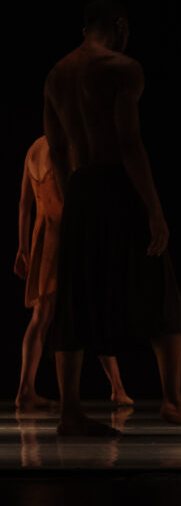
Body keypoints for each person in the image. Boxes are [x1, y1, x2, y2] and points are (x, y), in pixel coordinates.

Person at [43, 0, 181, 436]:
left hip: (79, 186)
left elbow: (56, 149)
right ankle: (172, 401)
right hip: (118, 184)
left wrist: (70, 195)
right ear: (118, 25)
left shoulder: (56, 74)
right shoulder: (121, 67)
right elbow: (129, 141)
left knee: (75, 296)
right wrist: (153, 209)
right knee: (159, 284)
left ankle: (69, 412)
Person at [14, 136, 133, 407]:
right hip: (64, 234)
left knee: (41, 315)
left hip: (42, 236)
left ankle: (25, 389)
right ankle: (117, 388)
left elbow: (24, 205)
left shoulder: (33, 149)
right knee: (88, 309)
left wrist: (23, 248)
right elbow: (74, 198)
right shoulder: (64, 147)